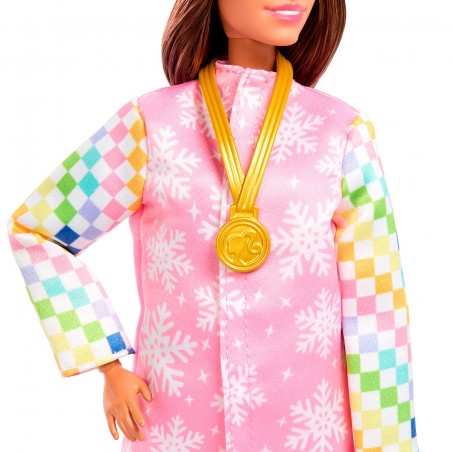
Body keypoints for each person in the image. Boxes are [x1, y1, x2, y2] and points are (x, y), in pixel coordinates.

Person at [7, 0, 419, 450]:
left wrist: (389, 443)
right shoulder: (152, 124)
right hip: (178, 421)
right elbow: (39, 231)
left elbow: (377, 300)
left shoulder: (338, 132)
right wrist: (105, 360)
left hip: (308, 429)